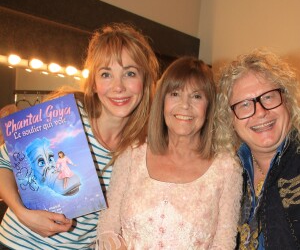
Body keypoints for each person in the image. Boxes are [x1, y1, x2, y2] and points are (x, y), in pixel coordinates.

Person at [0, 23, 159, 249]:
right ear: (93, 82)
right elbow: (3, 162)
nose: (118, 86)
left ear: (145, 82)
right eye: (106, 74)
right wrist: (23, 213)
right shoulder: (63, 117)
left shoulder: (141, 150)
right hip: (18, 244)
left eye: (130, 73)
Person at [96, 57, 242, 249]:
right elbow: (107, 228)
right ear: (162, 101)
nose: (185, 105)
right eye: (175, 94)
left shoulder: (227, 169)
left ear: (209, 107)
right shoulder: (132, 153)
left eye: (196, 96)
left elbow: (224, 243)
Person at [214, 49, 300, 249]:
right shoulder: (226, 174)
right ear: (230, 118)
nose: (260, 112)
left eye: (268, 97)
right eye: (244, 104)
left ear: (287, 100)